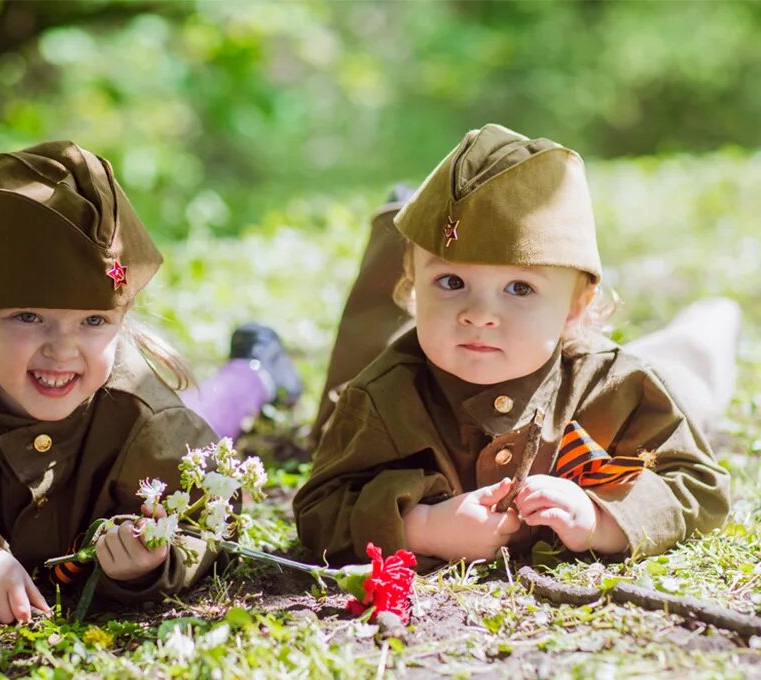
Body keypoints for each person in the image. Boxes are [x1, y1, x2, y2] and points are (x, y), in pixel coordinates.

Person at [0, 141, 298, 625]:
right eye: (29, 317)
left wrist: (153, 561)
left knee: (206, 422)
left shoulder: (152, 423)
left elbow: (205, 523)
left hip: (169, 427)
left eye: (94, 321)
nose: (62, 349)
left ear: (121, 321)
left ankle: (256, 370)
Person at [294, 124, 734, 570]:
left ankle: (710, 322)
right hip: (407, 342)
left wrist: (601, 516)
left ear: (575, 309)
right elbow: (319, 510)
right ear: (414, 287)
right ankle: (402, 210)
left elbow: (699, 484)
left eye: (519, 288)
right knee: (364, 344)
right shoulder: (382, 394)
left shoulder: (618, 384)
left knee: (687, 372)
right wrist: (422, 525)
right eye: (451, 280)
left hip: (637, 365)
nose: (479, 313)